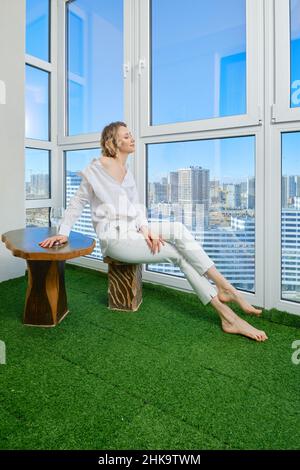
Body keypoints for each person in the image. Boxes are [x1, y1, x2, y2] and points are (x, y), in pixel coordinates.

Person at [39, 121, 268, 342]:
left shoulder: (127, 173)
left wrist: (146, 229)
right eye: (126, 136)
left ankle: (223, 286)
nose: (132, 138)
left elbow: (137, 209)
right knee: (176, 254)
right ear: (113, 142)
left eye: (131, 135)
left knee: (177, 228)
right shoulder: (96, 168)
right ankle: (228, 316)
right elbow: (77, 202)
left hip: (133, 230)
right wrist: (64, 232)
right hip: (115, 239)